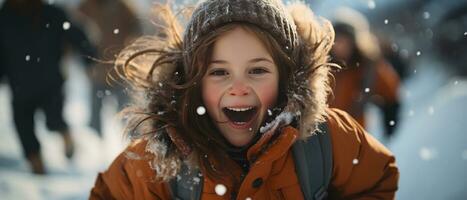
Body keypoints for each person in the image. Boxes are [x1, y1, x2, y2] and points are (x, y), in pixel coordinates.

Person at [90, 0, 399, 199]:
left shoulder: (327, 140)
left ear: (286, 77)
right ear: (192, 82)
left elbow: (377, 179)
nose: (239, 87)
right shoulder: (161, 160)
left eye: (257, 70)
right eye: (219, 72)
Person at [0, 0, 96, 174]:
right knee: (24, 128)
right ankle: (38, 167)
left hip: (49, 82)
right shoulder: (5, 17)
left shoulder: (51, 13)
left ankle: (66, 137)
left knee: (54, 120)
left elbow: (76, 34)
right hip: (21, 84)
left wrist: (89, 57)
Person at [329, 8, 401, 139]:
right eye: (336, 40)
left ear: (354, 42)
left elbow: (391, 90)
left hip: (355, 137)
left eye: (344, 41)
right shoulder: (323, 67)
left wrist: (390, 119)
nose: (339, 46)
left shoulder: (368, 67)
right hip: (324, 138)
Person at [78, 0, 142, 136]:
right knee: (95, 114)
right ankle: (95, 143)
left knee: (127, 113)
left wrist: (133, 50)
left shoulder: (122, 7)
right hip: (98, 70)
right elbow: (75, 33)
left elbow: (137, 29)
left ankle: (134, 143)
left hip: (120, 70)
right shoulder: (87, 7)